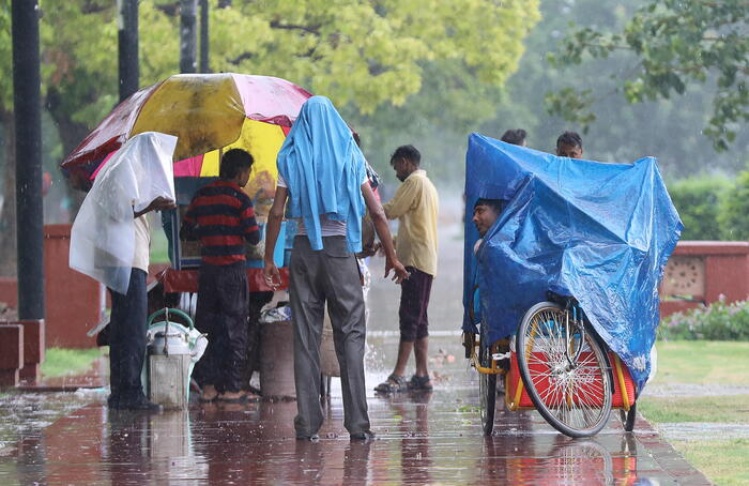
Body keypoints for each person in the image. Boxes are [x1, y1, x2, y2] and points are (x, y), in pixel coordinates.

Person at [262, 96, 409, 442]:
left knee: (305, 337)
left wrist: (269, 259)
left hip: (303, 253)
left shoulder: (290, 156)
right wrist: (392, 256)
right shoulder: (349, 155)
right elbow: (376, 212)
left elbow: (276, 212)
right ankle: (358, 424)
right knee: (351, 333)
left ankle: (307, 424)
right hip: (340, 253)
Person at [181, 148, 261, 403]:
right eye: (248, 172)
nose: (248, 176)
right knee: (235, 329)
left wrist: (207, 233)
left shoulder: (202, 195)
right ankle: (232, 387)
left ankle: (208, 387)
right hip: (233, 272)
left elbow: (185, 231)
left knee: (206, 328)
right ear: (240, 172)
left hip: (208, 271)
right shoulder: (241, 200)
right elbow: (254, 237)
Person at [375, 145, 439, 394]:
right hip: (425, 259)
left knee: (410, 316)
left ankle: (398, 375)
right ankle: (422, 375)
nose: (396, 173)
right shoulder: (428, 185)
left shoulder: (414, 182)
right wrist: (388, 242)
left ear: (405, 162)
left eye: (396, 167)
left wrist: (369, 209)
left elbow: (390, 210)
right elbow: (414, 227)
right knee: (420, 319)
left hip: (415, 260)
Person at [108, 197, 176, 411]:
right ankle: (130, 391)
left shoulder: (124, 180)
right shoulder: (123, 177)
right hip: (129, 259)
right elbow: (120, 210)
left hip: (124, 257)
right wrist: (152, 205)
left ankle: (120, 391)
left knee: (122, 326)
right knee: (133, 328)